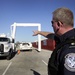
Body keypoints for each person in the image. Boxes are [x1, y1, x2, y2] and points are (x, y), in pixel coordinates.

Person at [33, 7, 75, 75]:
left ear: (59, 24)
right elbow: (51, 35)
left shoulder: (70, 50)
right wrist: (39, 32)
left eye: (52, 22)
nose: (51, 25)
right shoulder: (65, 38)